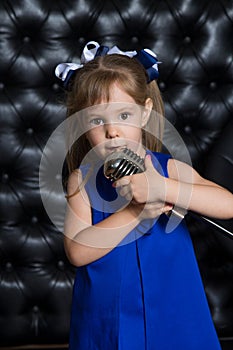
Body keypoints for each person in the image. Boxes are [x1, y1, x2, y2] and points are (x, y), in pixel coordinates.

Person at [55, 41, 233, 350]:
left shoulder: (168, 169)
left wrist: (163, 188)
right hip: (108, 314)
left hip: (173, 308)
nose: (112, 132)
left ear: (145, 112)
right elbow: (77, 251)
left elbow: (228, 205)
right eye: (97, 121)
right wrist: (136, 213)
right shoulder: (82, 181)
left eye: (124, 116)